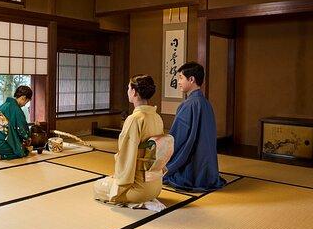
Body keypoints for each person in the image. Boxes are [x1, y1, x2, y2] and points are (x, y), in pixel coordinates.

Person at [93, 75, 167, 206]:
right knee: (111, 180)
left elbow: (126, 156)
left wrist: (119, 183)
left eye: (128, 88)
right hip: (156, 187)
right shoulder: (156, 117)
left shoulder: (135, 119)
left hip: (139, 190)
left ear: (134, 92)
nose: (127, 91)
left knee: (98, 186)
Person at [163, 62, 226, 192]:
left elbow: (178, 137)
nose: (178, 81)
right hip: (206, 165)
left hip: (192, 163)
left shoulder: (189, 104)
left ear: (191, 79)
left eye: (181, 77)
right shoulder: (205, 103)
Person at [0, 85, 32, 161]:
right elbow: (22, 130)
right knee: (21, 152)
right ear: (23, 97)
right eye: (27, 101)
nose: (25, 104)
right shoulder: (16, 109)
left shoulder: (3, 106)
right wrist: (28, 138)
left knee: (16, 146)